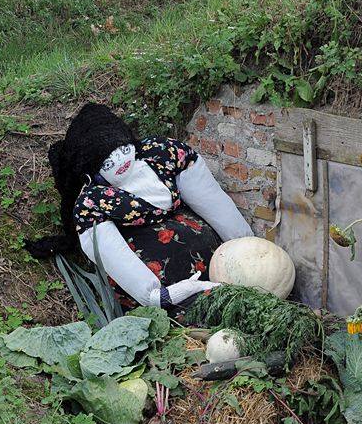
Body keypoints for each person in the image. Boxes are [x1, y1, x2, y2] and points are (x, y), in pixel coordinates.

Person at [25, 103, 253, 313]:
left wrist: (244, 243)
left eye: (123, 149)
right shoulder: (93, 202)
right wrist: (156, 295)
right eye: (107, 162)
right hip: (165, 289)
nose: (120, 161)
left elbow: (210, 198)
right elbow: (109, 250)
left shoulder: (161, 155)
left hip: (220, 265)